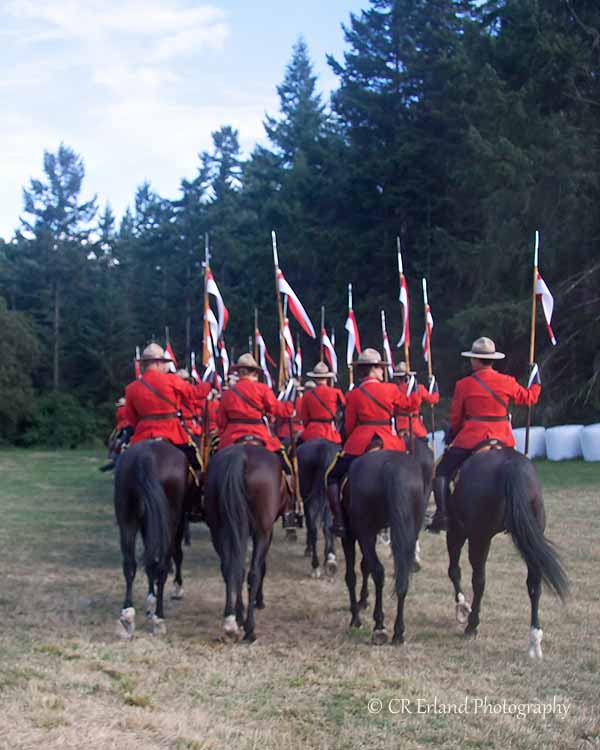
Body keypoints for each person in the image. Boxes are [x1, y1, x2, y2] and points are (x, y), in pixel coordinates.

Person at [428, 336, 541, 533]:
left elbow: (456, 417)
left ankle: (442, 514)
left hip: (472, 437)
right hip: (503, 437)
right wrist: (535, 381)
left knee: (442, 472)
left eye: (472, 358)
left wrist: (454, 434)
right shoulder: (507, 381)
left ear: (476, 360)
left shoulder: (463, 384)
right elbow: (529, 398)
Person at [326, 348, 421, 537]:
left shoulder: (353, 394)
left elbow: (350, 424)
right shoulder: (391, 389)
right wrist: (415, 390)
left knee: (332, 477)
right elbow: (410, 406)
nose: (382, 372)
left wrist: (354, 438)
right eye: (380, 368)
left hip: (360, 441)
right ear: (375, 368)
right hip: (389, 441)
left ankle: (339, 520)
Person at [216, 353, 302, 528]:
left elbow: (221, 422)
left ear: (239, 373)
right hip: (260, 435)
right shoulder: (262, 389)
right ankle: (289, 508)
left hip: (232, 437)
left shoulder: (227, 393)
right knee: (286, 466)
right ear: (254, 373)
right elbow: (279, 410)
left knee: (213, 464)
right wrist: (291, 405)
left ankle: (207, 500)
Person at [124, 343, 211, 477]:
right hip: (172, 432)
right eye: (164, 363)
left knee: (125, 466)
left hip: (143, 434)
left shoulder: (131, 388)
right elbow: (194, 394)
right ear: (158, 363)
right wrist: (209, 384)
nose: (166, 366)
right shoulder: (172, 380)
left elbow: (131, 417)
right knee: (195, 464)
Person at [392, 361, 439, 446]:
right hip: (416, 427)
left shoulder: (393, 390)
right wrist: (434, 386)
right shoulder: (419, 388)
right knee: (424, 444)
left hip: (400, 427)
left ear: (397, 378)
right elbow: (433, 399)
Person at [300, 362, 345, 444]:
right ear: (327, 378)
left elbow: (304, 419)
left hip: (311, 432)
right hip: (330, 433)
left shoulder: (307, 395)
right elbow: (343, 413)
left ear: (314, 378)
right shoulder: (336, 392)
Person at [100, 397, 133, 471]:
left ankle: (111, 457)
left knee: (112, 440)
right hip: (131, 425)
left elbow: (118, 419)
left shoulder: (120, 410)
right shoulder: (130, 409)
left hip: (122, 426)